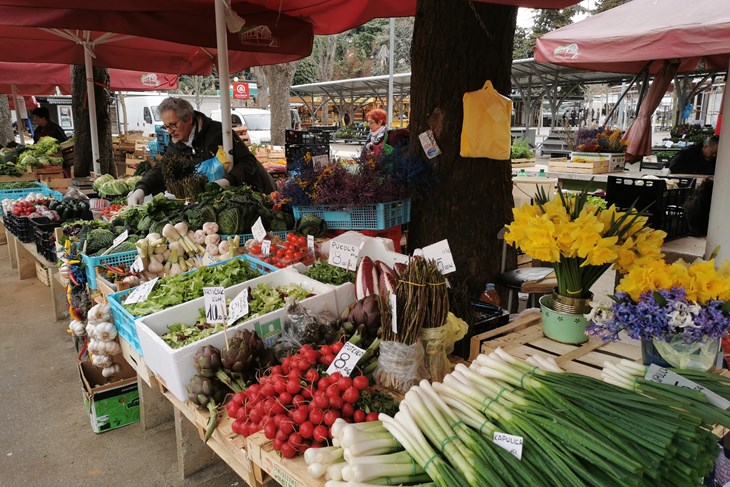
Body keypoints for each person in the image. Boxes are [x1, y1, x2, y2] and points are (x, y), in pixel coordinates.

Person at [128, 97, 275, 205]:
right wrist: (142, 188)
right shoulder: (176, 144)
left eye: (173, 125)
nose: (170, 131)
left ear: (189, 119)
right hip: (222, 201)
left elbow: (248, 161)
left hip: (256, 193)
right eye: (166, 126)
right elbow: (162, 169)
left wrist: (228, 180)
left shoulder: (219, 133)